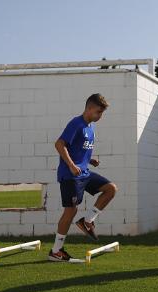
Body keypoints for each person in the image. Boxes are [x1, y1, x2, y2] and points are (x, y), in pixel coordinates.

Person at [48, 93, 117, 262]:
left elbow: (78, 148)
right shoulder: (76, 123)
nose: (100, 116)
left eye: (102, 113)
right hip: (70, 175)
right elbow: (59, 144)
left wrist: (89, 160)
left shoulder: (90, 127)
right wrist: (72, 165)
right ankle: (56, 251)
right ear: (89, 108)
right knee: (71, 211)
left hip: (84, 173)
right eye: (98, 112)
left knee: (110, 189)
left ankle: (87, 221)